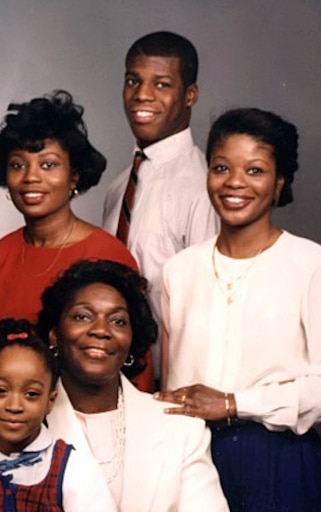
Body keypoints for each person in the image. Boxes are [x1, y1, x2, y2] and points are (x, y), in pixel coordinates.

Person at [158, 108, 321, 511]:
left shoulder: (313, 263)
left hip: (278, 457)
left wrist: (234, 403)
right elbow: (172, 382)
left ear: (279, 180)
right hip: (191, 455)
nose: (234, 182)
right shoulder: (179, 270)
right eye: (221, 167)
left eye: (255, 170)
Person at [0, 90, 153, 391]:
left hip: (92, 423)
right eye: (18, 165)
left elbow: (138, 363)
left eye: (48, 165)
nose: (30, 177)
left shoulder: (106, 253)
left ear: (74, 176)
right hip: (13, 424)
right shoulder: (0, 255)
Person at [41, 259, 228, 512]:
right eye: (82, 316)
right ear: (54, 335)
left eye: (117, 321)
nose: (101, 330)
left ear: (131, 340)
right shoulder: (26, 422)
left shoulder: (181, 428)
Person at [102, 31, 218, 384]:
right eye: (133, 80)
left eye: (162, 84)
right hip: (113, 383)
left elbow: (206, 312)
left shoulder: (203, 187)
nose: (142, 95)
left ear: (190, 95)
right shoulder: (119, 187)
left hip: (169, 387)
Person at [0, 319, 117, 512]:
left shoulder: (75, 470)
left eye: (31, 394)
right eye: (1, 391)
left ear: (50, 400)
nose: (14, 406)